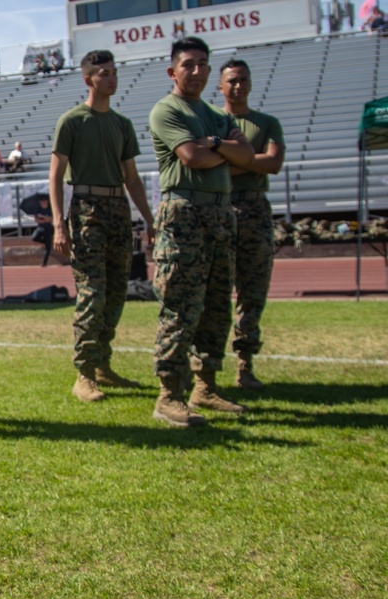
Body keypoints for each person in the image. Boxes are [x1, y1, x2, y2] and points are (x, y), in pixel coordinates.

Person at [148, 37, 255, 427]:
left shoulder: (216, 115)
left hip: (220, 213)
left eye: (202, 64)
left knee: (215, 304)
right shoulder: (166, 110)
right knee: (181, 305)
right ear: (172, 71)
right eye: (188, 64)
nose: (196, 71)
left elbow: (248, 157)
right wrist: (221, 148)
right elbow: (191, 157)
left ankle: (205, 386)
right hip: (186, 213)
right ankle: (169, 395)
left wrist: (214, 144)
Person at [49, 50, 156, 403]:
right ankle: (84, 373)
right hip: (87, 209)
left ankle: (102, 365)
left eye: (113, 72)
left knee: (115, 291)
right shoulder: (72, 121)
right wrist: (59, 224)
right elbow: (56, 175)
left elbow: (132, 178)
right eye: (104, 73)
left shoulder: (122, 124)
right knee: (92, 292)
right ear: (88, 79)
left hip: (118, 209)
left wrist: (150, 219)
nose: (111, 78)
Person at [218, 59, 285, 390]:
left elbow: (273, 163)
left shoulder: (267, 122)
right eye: (231, 81)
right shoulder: (212, 122)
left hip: (256, 211)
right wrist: (251, 162)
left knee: (253, 290)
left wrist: (233, 161)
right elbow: (206, 167)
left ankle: (245, 364)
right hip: (220, 209)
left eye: (243, 79)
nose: (238, 86)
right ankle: (206, 369)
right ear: (221, 86)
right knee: (213, 289)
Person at [31, 195, 55, 267]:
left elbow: (50, 219)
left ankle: (44, 263)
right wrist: (45, 219)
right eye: (42, 200)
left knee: (48, 248)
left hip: (48, 229)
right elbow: (37, 220)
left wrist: (42, 217)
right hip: (40, 228)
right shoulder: (38, 209)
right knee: (34, 237)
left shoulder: (50, 209)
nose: (43, 201)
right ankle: (45, 241)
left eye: (45, 200)